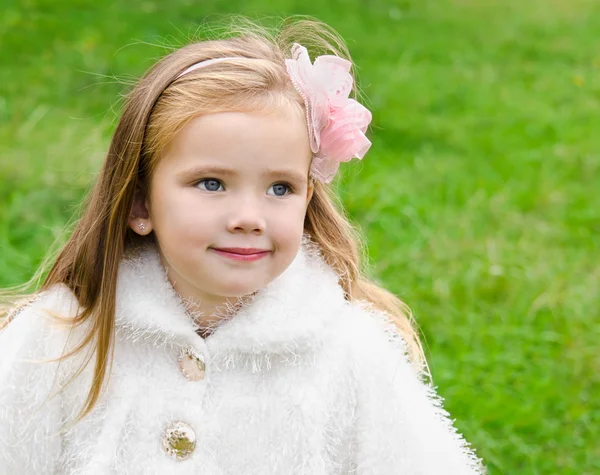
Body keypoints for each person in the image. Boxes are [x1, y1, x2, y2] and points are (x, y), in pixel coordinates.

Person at [0, 16, 486, 474]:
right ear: (140, 204)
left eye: (280, 188)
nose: (249, 219)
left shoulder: (350, 349)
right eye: (211, 183)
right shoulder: (60, 337)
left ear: (307, 197)